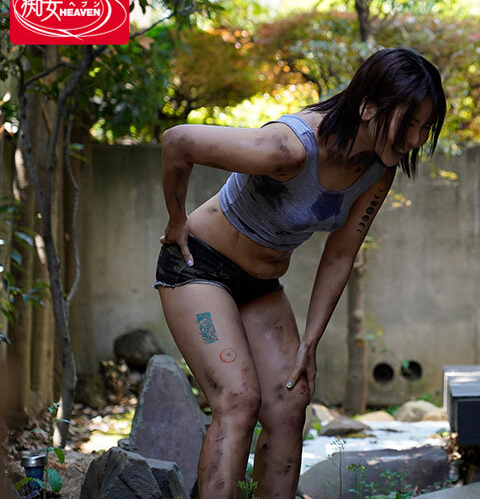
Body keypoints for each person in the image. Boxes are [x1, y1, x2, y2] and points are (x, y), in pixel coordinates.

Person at [153, 47, 447, 499]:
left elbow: (340, 255)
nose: (414, 139)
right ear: (368, 107)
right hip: (198, 267)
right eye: (408, 122)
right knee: (238, 401)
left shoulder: (376, 171)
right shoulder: (288, 148)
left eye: (424, 127)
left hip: (260, 285)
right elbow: (177, 141)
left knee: (291, 403)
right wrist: (177, 220)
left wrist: (310, 340)